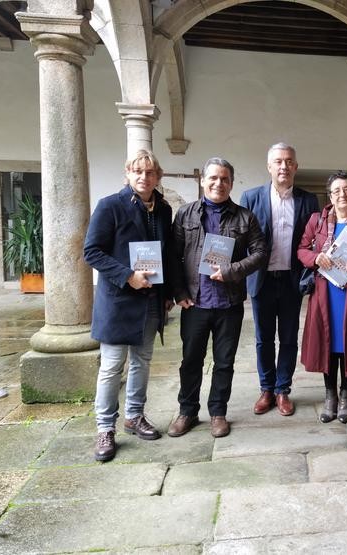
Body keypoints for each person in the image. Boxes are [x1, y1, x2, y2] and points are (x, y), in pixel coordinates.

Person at [83, 150, 174, 462]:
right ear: (128, 173)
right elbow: (91, 251)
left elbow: (168, 254)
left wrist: (169, 293)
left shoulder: (163, 209)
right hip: (119, 301)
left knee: (142, 361)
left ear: (157, 177)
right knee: (111, 367)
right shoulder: (110, 206)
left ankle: (134, 417)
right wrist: (128, 276)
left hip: (150, 301)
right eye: (137, 171)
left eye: (149, 173)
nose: (143, 177)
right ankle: (105, 428)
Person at [167, 157, 266, 438]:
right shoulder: (185, 214)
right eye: (213, 178)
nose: (218, 183)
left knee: (224, 362)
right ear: (203, 180)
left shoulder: (245, 217)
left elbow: (260, 253)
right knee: (190, 361)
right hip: (194, 303)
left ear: (231, 183)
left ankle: (218, 412)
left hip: (229, 303)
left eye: (224, 179)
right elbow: (173, 256)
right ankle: (187, 411)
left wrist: (231, 271)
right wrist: (179, 292)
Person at [239, 143, 319, 416]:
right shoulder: (250, 197)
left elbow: (313, 242)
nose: (283, 166)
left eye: (288, 161)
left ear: (295, 166)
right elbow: (242, 240)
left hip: (291, 280)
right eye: (278, 161)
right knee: (263, 338)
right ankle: (266, 389)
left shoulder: (309, 201)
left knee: (288, 338)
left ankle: (282, 390)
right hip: (261, 279)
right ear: (269, 166)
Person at [297, 171, 347, 423]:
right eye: (336, 191)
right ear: (330, 196)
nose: (342, 195)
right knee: (328, 343)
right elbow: (301, 249)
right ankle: (330, 395)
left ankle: (346, 395)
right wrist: (315, 258)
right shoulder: (317, 221)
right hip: (325, 293)